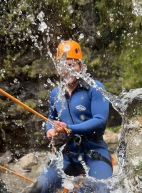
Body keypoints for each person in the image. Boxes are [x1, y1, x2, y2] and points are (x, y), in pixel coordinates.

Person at [30, 40, 112, 193]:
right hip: (67, 154)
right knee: (38, 189)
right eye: (63, 66)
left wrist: (69, 128)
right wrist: (49, 130)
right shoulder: (56, 94)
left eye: (72, 65)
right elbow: (51, 118)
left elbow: (100, 120)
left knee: (100, 190)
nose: (68, 70)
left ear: (81, 66)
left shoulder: (94, 88)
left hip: (93, 150)